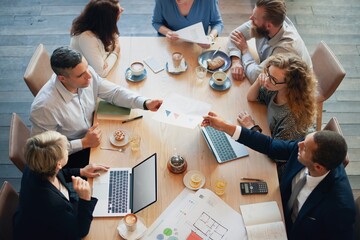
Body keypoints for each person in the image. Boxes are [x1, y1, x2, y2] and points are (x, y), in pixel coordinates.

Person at [202, 112, 355, 240]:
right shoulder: (304, 149)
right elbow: (270, 146)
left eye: (304, 148)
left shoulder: (340, 208)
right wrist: (225, 127)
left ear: (318, 167)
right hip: (274, 207)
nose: (298, 145)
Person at [30, 46, 162, 168]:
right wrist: (83, 143)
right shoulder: (44, 108)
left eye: (87, 68)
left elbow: (114, 93)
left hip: (95, 134)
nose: (89, 75)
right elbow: (44, 150)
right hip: (72, 154)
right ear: (62, 79)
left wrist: (145, 103)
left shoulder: (86, 73)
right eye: (81, 75)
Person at [13, 131, 109, 240]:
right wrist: (85, 198)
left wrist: (82, 171)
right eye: (66, 149)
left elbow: (60, 173)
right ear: (58, 163)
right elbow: (80, 231)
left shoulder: (36, 164)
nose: (67, 150)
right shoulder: (53, 204)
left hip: (38, 220)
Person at [227, 0, 312, 83]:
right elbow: (235, 35)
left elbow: (255, 77)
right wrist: (236, 61)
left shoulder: (286, 49)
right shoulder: (270, 21)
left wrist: (245, 50)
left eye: (254, 18)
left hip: (293, 88)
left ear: (268, 25)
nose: (250, 18)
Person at [238, 53, 317, 141]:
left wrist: (252, 127)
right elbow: (251, 97)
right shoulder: (275, 88)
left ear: (290, 85)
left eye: (273, 79)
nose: (267, 81)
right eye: (268, 73)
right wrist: (258, 81)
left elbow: (276, 151)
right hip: (268, 132)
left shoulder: (292, 118)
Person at [70, 0, 123, 77]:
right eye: (119, 11)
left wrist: (106, 60)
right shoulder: (86, 38)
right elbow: (101, 73)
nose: (122, 9)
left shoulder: (101, 27)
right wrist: (115, 52)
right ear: (107, 19)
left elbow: (115, 39)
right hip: (85, 80)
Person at [152, 0, 224, 48]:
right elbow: (156, 22)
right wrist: (168, 32)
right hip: (171, 45)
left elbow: (217, 23)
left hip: (197, 47)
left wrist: (210, 37)